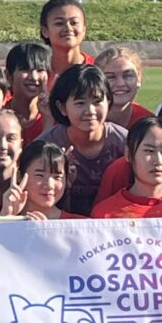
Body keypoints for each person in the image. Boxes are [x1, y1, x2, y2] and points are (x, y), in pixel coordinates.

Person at [37, 63, 126, 216]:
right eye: (80, 103)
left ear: (109, 102)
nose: (90, 111)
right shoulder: (47, 146)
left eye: (97, 101)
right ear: (62, 108)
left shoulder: (124, 143)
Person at [38, 0, 92, 85]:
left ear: (84, 29)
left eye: (74, 22)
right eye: (59, 23)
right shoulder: (36, 75)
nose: (68, 28)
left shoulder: (100, 69)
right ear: (45, 31)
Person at [2, 41, 52, 133]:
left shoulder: (57, 116)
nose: (34, 77)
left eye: (40, 70)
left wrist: (48, 119)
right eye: (25, 69)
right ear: (9, 76)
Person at [15, 143, 71, 220]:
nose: (50, 185)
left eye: (57, 177)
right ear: (19, 177)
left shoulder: (80, 224)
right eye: (40, 175)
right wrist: (6, 216)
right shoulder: (4, 220)